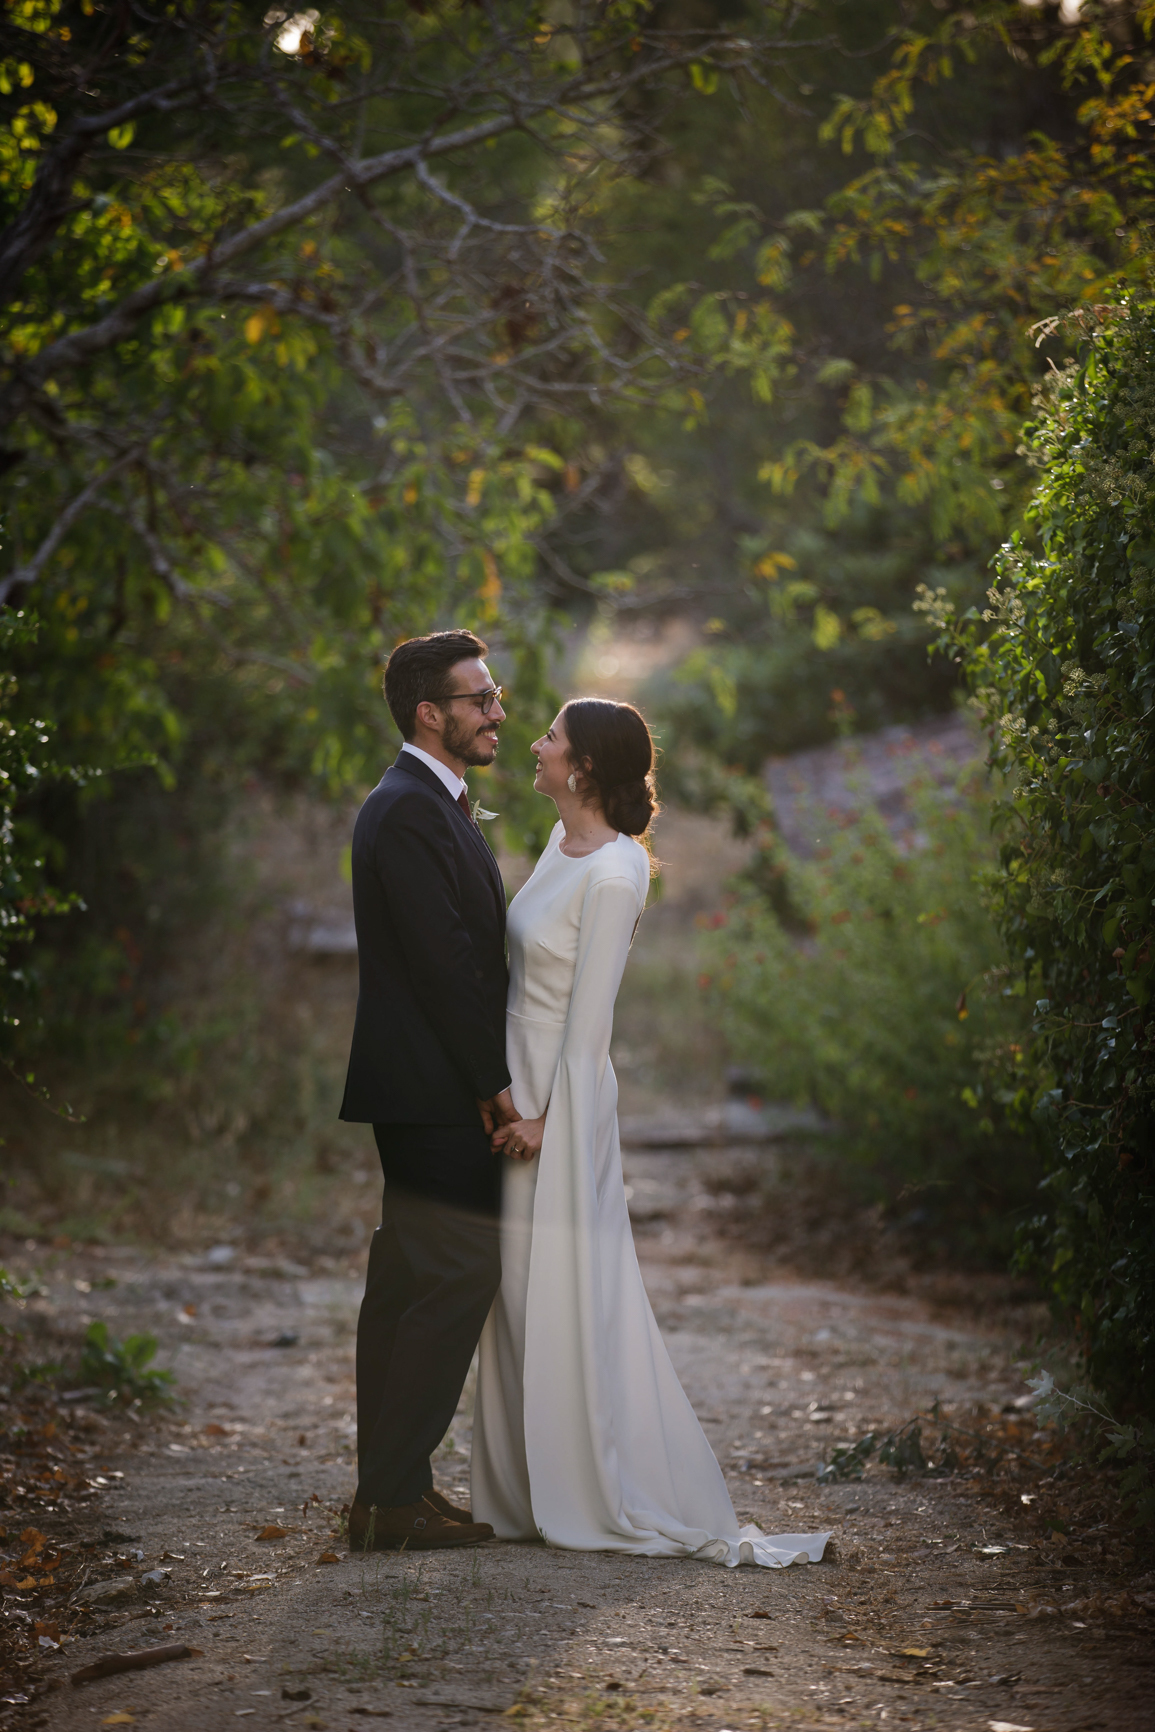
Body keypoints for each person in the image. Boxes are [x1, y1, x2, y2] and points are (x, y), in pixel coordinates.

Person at [471, 698, 830, 1569]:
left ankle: (587, 1488)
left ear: (584, 766)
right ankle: (522, 1493)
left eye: (550, 738)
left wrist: (549, 1121)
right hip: (516, 1084)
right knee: (513, 1294)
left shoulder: (616, 871)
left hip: (562, 1099)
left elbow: (589, 1021)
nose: (534, 745)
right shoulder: (560, 843)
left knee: (560, 1293)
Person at [339, 629, 521, 1552]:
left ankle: (390, 1492)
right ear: (428, 713)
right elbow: (444, 964)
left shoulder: (428, 801)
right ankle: (391, 1497)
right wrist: (492, 1082)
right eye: (478, 699)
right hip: (432, 1087)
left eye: (493, 696)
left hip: (422, 1085)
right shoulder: (409, 809)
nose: (496, 713)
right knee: (458, 1273)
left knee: (410, 1278)